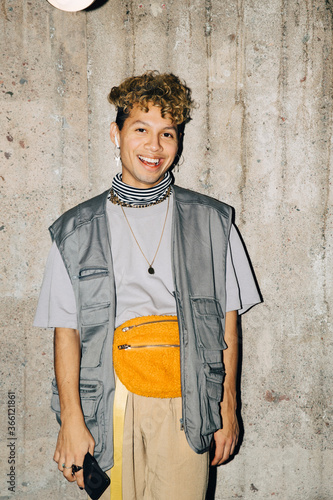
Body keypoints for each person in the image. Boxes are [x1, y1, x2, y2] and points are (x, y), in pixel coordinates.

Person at [34, 71, 261, 500]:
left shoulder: (214, 221)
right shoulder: (75, 230)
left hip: (189, 397)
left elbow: (228, 326)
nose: (154, 147)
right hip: (109, 397)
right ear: (116, 134)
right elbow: (66, 332)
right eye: (141, 129)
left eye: (167, 134)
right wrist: (71, 420)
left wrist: (228, 407)